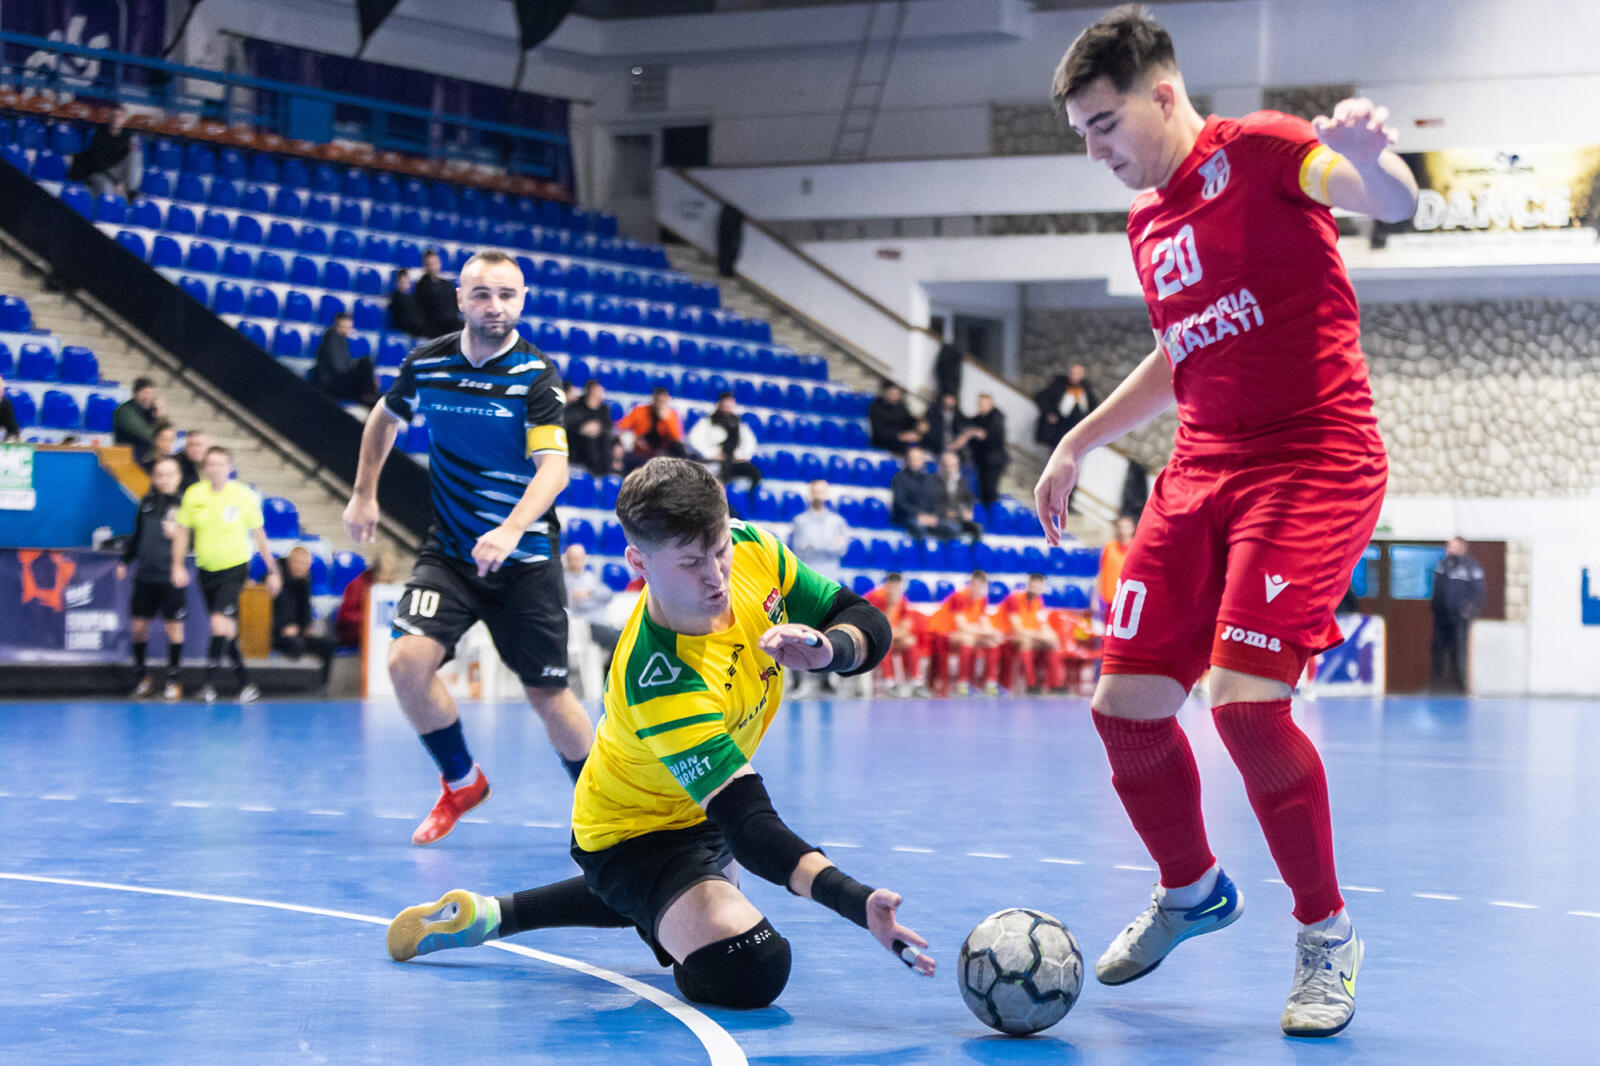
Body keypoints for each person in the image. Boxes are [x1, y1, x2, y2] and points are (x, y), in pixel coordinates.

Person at [1036, 8, 1418, 1037]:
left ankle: (1326, 933)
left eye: (1104, 123)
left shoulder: (1267, 151)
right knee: (1124, 707)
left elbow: (1389, 201)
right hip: (1201, 468)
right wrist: (1079, 438)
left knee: (1246, 706)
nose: (1094, 150)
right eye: (1081, 132)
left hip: (1312, 461)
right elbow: (1182, 350)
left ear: (1163, 93)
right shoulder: (1147, 220)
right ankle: (1193, 888)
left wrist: (1373, 161)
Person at [383, 458, 932, 1010]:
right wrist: (855, 901)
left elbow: (858, 615)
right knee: (752, 966)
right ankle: (657, 896)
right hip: (630, 836)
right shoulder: (661, 678)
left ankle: (492, 914)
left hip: (702, 810)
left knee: (689, 897)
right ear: (638, 562)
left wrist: (832, 649)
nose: (716, 576)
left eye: (719, 550)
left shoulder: (751, 547)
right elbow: (749, 823)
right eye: (691, 563)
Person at [343, 250, 594, 847]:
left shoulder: (536, 375)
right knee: (406, 664)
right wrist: (363, 494)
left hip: (524, 560)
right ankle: (462, 781)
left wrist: (509, 530)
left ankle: (605, 810)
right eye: (482, 293)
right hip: (452, 554)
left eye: (507, 294)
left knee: (548, 694)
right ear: (460, 299)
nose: (495, 305)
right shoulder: (428, 364)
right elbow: (384, 417)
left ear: (522, 300)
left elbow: (554, 469)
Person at [171, 445, 283, 704]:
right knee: (226, 630)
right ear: (205, 468)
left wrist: (273, 569)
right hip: (205, 569)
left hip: (234, 567)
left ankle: (207, 685)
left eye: (220, 464)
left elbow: (259, 534)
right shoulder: (194, 495)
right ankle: (246, 684)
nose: (215, 469)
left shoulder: (243, 496)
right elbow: (182, 532)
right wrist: (177, 565)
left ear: (229, 468)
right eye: (211, 464)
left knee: (218, 623)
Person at [118, 455, 187, 700]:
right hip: (145, 576)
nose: (164, 480)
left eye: (169, 475)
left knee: (174, 628)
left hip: (170, 576)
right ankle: (142, 679)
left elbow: (197, 539)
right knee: (138, 627)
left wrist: (178, 535)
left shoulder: (186, 506)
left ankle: (173, 680)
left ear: (178, 477)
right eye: (159, 475)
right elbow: (137, 535)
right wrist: (125, 561)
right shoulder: (146, 503)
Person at [925, 571, 1003, 697]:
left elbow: (984, 621)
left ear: (985, 587)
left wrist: (992, 633)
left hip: (963, 633)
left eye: (981, 586)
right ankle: (963, 684)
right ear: (970, 584)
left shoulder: (982, 599)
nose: (977, 589)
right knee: (968, 639)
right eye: (974, 585)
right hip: (942, 632)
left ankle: (990, 684)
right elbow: (961, 626)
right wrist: (986, 632)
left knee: (992, 642)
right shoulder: (959, 597)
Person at [1430, 537, 1484, 693]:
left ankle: (1459, 685)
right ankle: (1437, 684)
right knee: (1438, 649)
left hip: (1460, 618)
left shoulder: (1471, 567)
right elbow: (1438, 588)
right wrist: (1436, 607)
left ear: (1462, 547)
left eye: (1452, 546)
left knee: (1459, 651)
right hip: (1442, 616)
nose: (1448, 549)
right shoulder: (1443, 565)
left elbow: (1478, 592)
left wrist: (1468, 611)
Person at [272, 546, 335, 679]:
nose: (302, 567)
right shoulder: (274, 579)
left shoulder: (305, 579)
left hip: (297, 631)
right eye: (298, 563)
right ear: (291, 562)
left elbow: (305, 606)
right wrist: (281, 628)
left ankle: (321, 683)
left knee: (327, 644)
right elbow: (264, 613)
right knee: (296, 645)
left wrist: (306, 626)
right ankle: (292, 683)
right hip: (276, 632)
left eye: (305, 564)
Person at [995, 573, 1063, 694]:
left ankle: (1055, 685)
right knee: (1026, 642)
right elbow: (1017, 629)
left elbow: (1042, 624)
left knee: (1053, 643)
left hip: (1029, 635)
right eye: (1034, 587)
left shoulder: (1038, 601)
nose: (1036, 590)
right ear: (1028, 585)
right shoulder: (1013, 599)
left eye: (1039, 588)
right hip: (1008, 635)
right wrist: (1040, 636)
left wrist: (1051, 636)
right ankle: (1030, 685)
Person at [865, 573, 926, 697]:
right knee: (885, 642)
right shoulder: (874, 598)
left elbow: (906, 628)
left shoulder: (903, 600)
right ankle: (889, 683)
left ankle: (916, 683)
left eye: (897, 588)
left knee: (910, 641)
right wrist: (892, 607)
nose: (895, 591)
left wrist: (892, 633)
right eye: (892, 588)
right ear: (886, 586)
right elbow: (878, 628)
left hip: (892, 636)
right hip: (872, 638)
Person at [563, 543, 620, 670]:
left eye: (577, 559)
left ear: (584, 559)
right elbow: (577, 605)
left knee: (628, 637)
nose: (573, 562)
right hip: (586, 625)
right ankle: (608, 674)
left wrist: (589, 594)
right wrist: (590, 598)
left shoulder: (590, 577)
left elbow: (608, 595)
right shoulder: (564, 580)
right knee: (620, 641)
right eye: (571, 559)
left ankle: (610, 672)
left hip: (603, 622)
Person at [687, 392, 761, 488]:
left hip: (734, 460)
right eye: (725, 405)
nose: (727, 408)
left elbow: (750, 442)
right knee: (721, 477)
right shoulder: (707, 422)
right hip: (715, 461)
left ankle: (750, 495)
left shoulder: (738, 423)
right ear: (719, 404)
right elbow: (693, 440)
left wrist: (741, 455)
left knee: (755, 474)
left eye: (730, 406)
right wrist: (712, 453)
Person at [68, 104, 142, 201]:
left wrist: (122, 183)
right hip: (100, 172)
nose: (116, 119)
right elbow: (98, 164)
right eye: (114, 116)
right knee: (108, 190)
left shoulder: (127, 137)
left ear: (124, 119)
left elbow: (129, 164)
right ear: (109, 118)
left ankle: (131, 190)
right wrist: (116, 183)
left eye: (120, 117)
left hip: (118, 173)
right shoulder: (99, 134)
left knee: (135, 153)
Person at [334, 544, 399, 648]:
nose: (386, 580)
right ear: (375, 571)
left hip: (382, 636)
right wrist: (368, 618)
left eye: (390, 577)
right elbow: (345, 616)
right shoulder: (357, 585)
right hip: (357, 635)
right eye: (384, 576)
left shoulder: (391, 590)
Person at [788, 479, 850, 583]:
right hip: (807, 576)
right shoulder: (799, 521)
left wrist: (812, 547)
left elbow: (841, 551)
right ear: (810, 494)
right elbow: (798, 551)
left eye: (821, 492)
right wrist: (828, 547)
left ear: (827, 494)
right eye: (815, 492)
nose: (818, 496)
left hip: (831, 577)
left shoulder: (838, 522)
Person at [312, 313, 378, 404]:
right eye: (344, 327)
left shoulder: (341, 339)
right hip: (330, 385)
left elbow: (346, 363)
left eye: (349, 327)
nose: (348, 330)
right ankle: (368, 395)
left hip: (336, 381)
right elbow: (339, 368)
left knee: (365, 365)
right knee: (365, 362)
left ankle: (369, 394)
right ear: (337, 326)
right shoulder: (332, 340)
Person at [616, 387, 686, 470]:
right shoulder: (640, 411)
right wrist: (635, 438)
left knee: (678, 448)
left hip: (662, 452)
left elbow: (676, 438)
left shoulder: (672, 416)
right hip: (640, 451)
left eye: (663, 401)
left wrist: (666, 419)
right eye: (658, 400)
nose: (660, 404)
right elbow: (621, 426)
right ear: (654, 399)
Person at [1034, 365, 1099, 449]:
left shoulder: (1085, 389)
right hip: (1059, 425)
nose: (1075, 377)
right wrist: (1049, 412)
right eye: (1073, 373)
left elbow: (1091, 406)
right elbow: (1042, 397)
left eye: (1078, 374)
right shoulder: (1059, 384)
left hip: (1074, 426)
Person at [565, 379, 615, 477]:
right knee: (588, 440)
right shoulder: (575, 407)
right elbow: (569, 424)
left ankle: (604, 472)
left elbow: (608, 426)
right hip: (578, 443)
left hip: (599, 444)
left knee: (606, 440)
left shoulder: (604, 410)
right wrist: (582, 429)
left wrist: (598, 428)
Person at [966, 393, 1008, 509]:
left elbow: (986, 435)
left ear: (990, 404)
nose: (980, 407)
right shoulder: (978, 419)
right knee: (982, 490)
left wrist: (972, 432)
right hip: (982, 461)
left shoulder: (996, 418)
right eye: (979, 404)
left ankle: (992, 513)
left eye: (983, 404)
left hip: (994, 461)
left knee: (990, 489)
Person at [936, 450, 984, 540]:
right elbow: (931, 503)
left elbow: (968, 499)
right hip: (941, 519)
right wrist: (945, 512)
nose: (949, 470)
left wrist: (968, 511)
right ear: (940, 466)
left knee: (977, 528)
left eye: (952, 466)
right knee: (954, 528)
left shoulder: (961, 483)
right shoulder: (932, 483)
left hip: (958, 517)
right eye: (946, 466)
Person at [413, 250, 462, 339]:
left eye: (435, 263)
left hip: (452, 324)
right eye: (430, 264)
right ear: (425, 266)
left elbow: (454, 306)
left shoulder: (447, 285)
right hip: (435, 327)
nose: (433, 267)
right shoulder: (422, 285)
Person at [1096, 514, 1137, 616]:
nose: (1123, 531)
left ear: (1132, 529)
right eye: (1121, 527)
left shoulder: (1136, 549)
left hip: (1128, 600)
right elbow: (1101, 572)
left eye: (1126, 527)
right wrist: (1095, 597)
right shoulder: (1109, 547)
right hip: (1110, 599)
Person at [114, 377, 161, 465]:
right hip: (126, 458)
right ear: (136, 393)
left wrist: (157, 416)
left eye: (152, 393)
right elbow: (147, 435)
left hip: (144, 458)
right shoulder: (125, 411)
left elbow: (159, 431)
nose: (149, 397)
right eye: (146, 393)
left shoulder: (149, 411)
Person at [867, 381, 921, 456]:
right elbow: (879, 432)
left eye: (897, 394)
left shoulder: (900, 406)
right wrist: (900, 436)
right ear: (885, 393)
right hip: (884, 443)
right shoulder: (876, 408)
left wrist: (918, 423)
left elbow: (907, 419)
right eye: (892, 394)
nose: (895, 397)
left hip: (900, 442)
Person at [919, 392, 972, 458]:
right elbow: (926, 429)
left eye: (951, 399)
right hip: (935, 448)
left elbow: (966, 429)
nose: (949, 401)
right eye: (947, 398)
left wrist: (959, 441)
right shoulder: (932, 413)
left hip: (954, 449)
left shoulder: (959, 415)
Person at [387, 269, 428, 338]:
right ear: (397, 283)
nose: (405, 284)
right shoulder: (396, 297)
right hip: (405, 327)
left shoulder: (413, 298)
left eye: (407, 282)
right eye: (402, 282)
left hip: (416, 326)